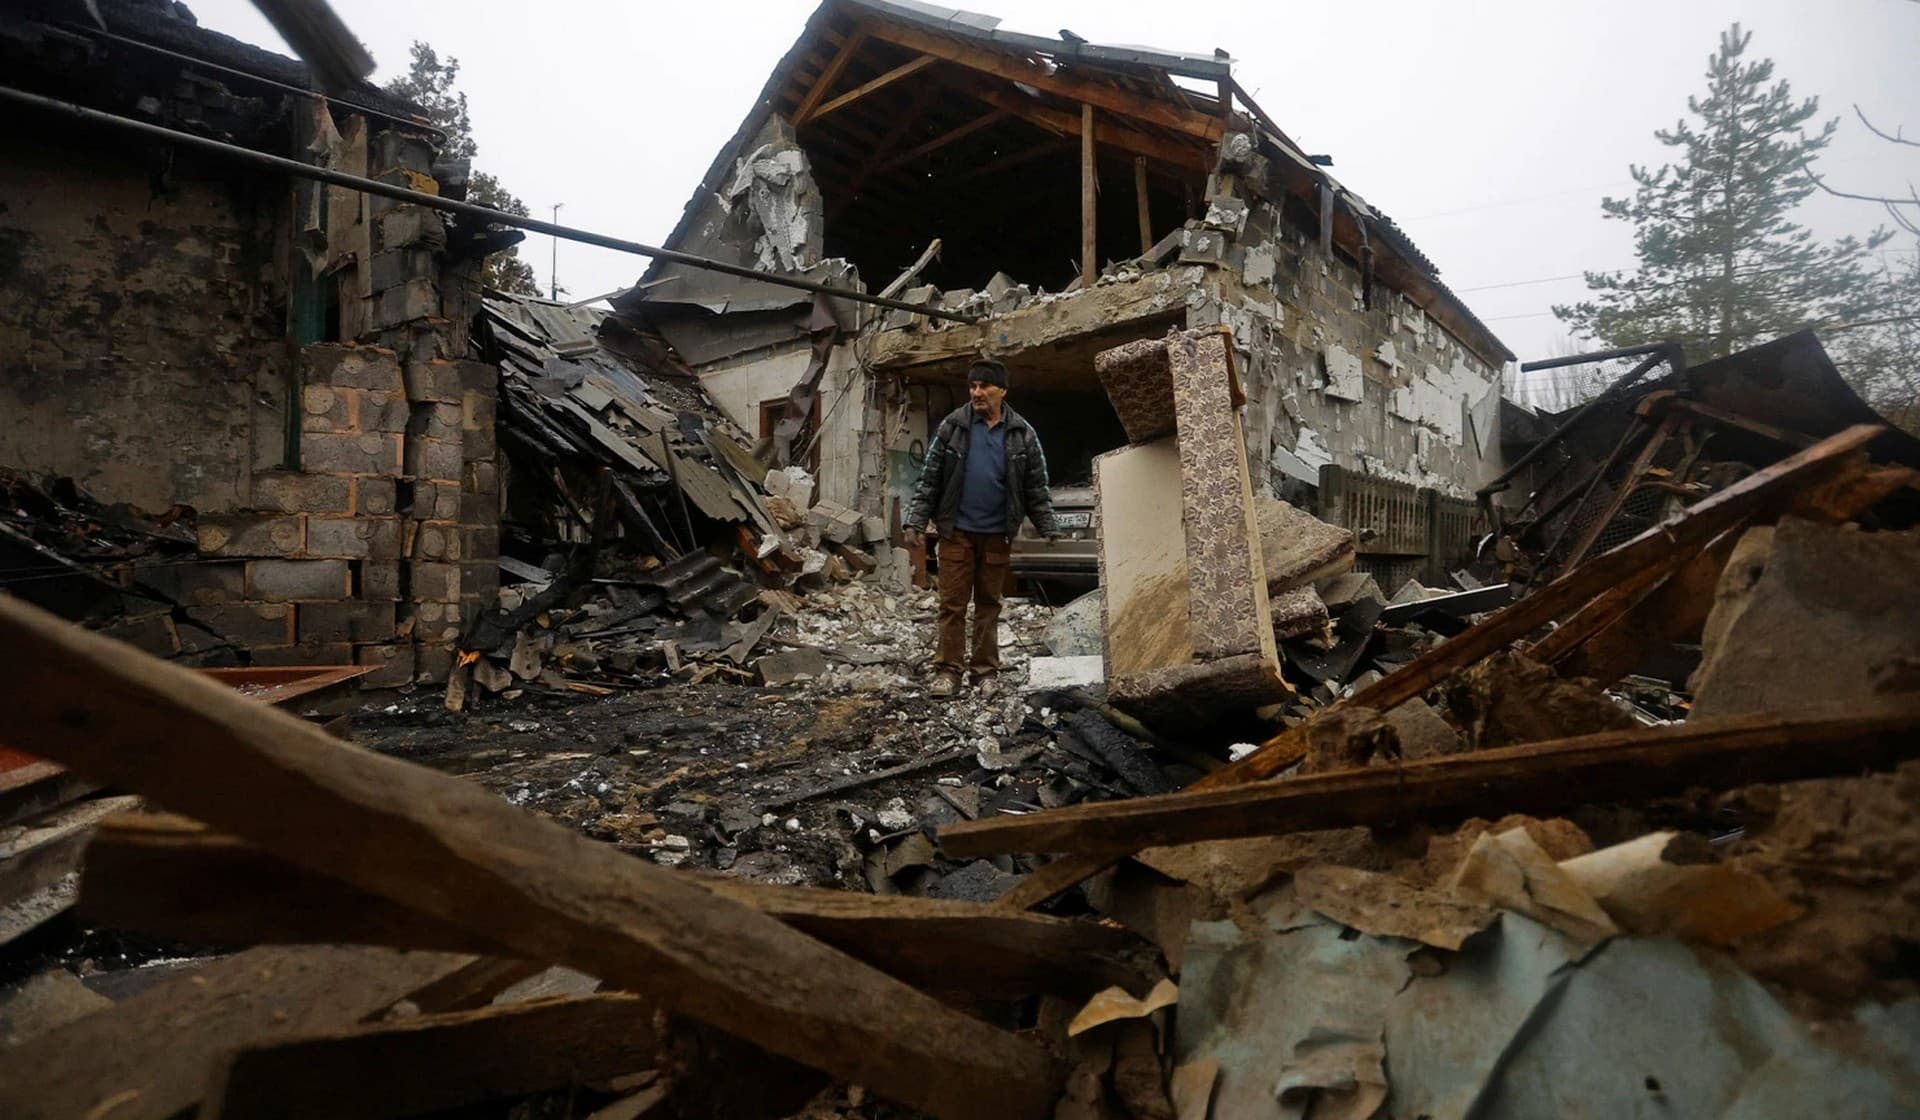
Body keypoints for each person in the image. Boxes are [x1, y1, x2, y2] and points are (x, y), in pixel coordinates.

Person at [903, 358, 1058, 699]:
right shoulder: (953, 427)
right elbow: (929, 478)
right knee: (952, 605)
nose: (976, 393)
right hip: (956, 531)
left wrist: (1047, 526)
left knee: (989, 604)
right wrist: (916, 520)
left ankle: (985, 673)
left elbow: (1036, 485)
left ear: (1002, 390)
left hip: (996, 535)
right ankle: (947, 672)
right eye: (972, 386)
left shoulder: (1022, 433)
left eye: (984, 386)